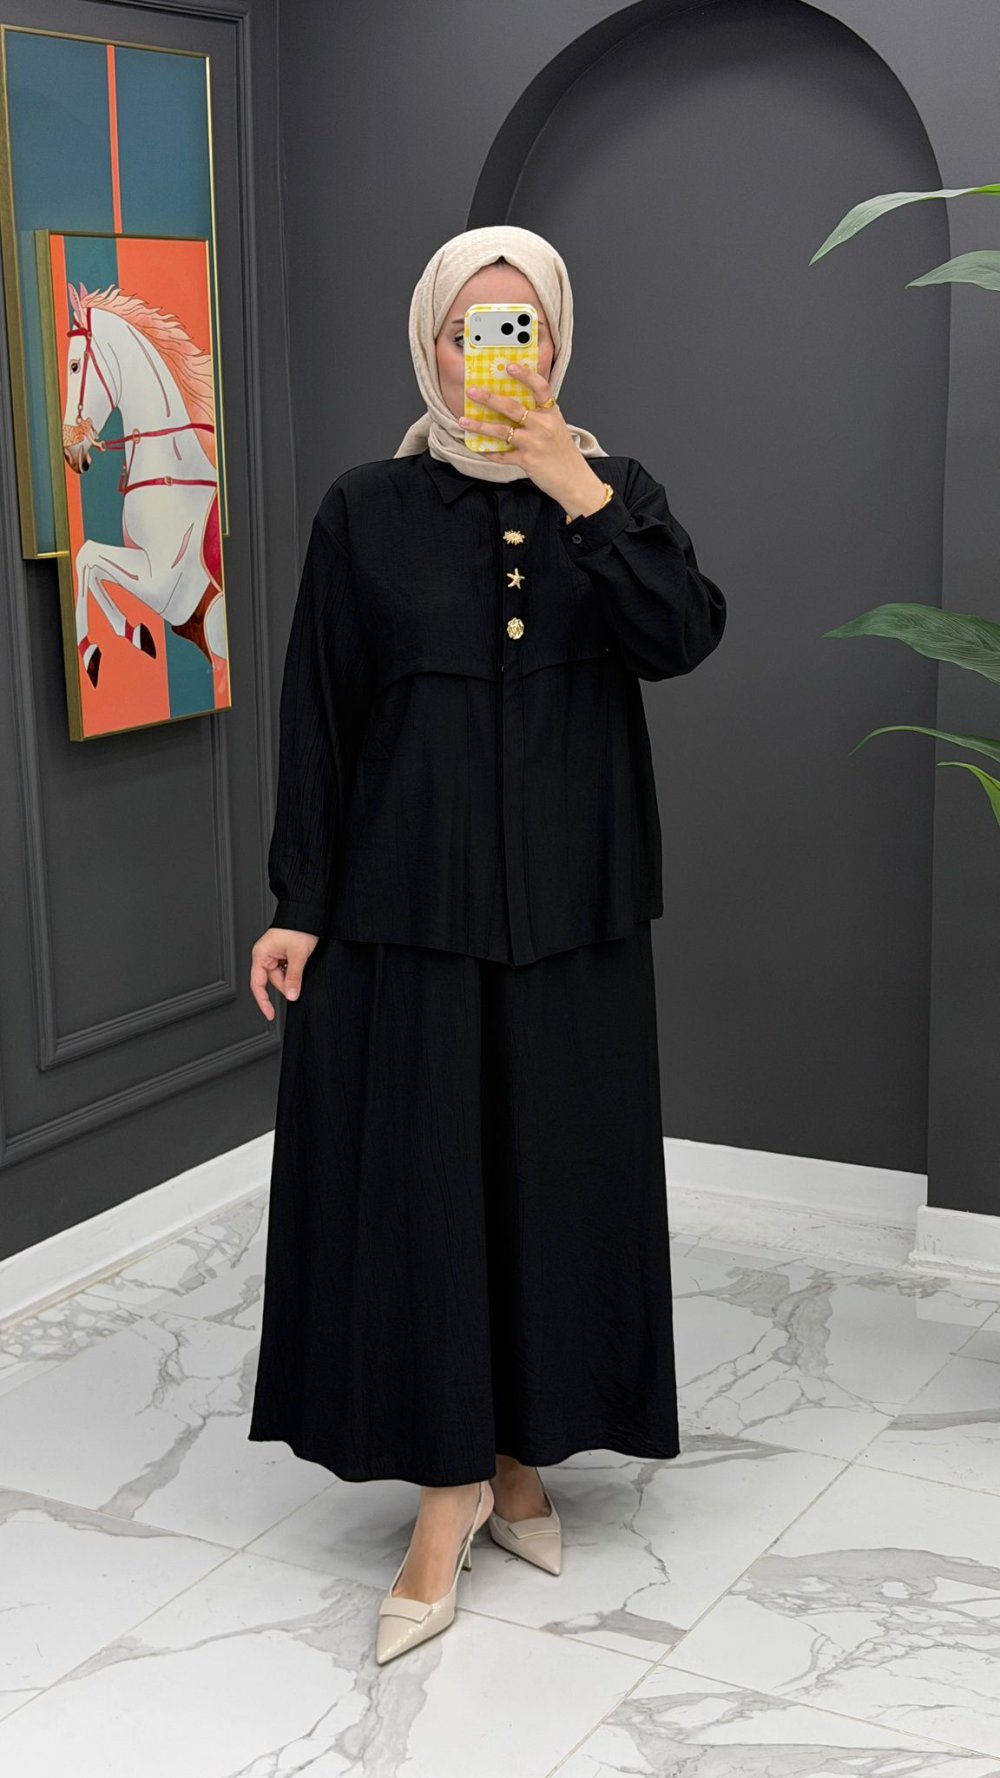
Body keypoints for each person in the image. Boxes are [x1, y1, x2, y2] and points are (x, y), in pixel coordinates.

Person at [246, 224, 726, 1665]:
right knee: (427, 1195)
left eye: (523, 327)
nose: (494, 353)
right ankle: (449, 1488)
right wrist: (298, 898)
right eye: (471, 329)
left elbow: (683, 636)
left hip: (577, 915)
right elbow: (321, 711)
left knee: (550, 1188)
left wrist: (576, 484)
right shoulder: (365, 508)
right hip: (406, 915)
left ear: (559, 342)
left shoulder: (620, 495)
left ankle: (521, 1457)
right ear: (432, 345)